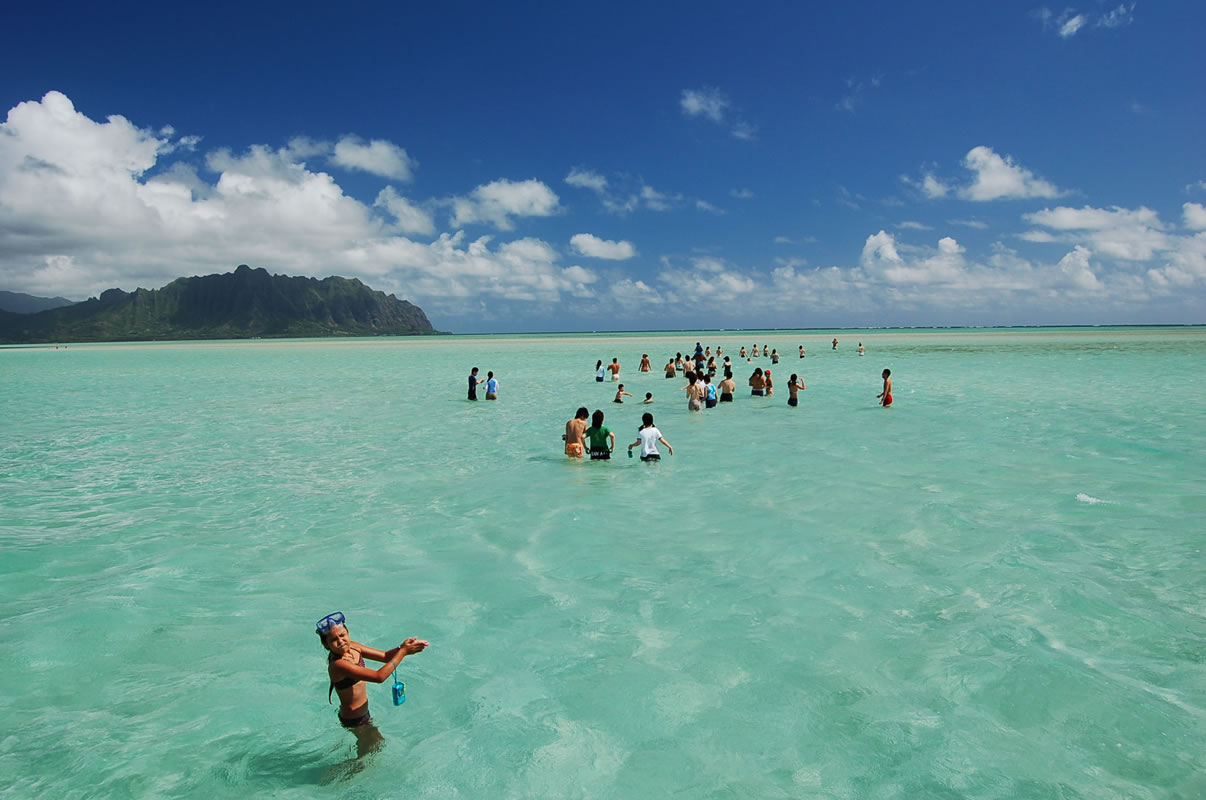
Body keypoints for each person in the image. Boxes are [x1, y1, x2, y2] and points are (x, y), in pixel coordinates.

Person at [316, 611, 429, 758]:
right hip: (354, 720)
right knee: (374, 747)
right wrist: (403, 653)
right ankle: (345, 775)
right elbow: (379, 676)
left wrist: (402, 647)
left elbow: (385, 656)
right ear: (326, 645)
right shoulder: (339, 665)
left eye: (343, 635)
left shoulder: (354, 647)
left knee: (372, 747)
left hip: (362, 714)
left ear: (348, 633)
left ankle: (352, 771)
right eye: (334, 640)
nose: (341, 641)